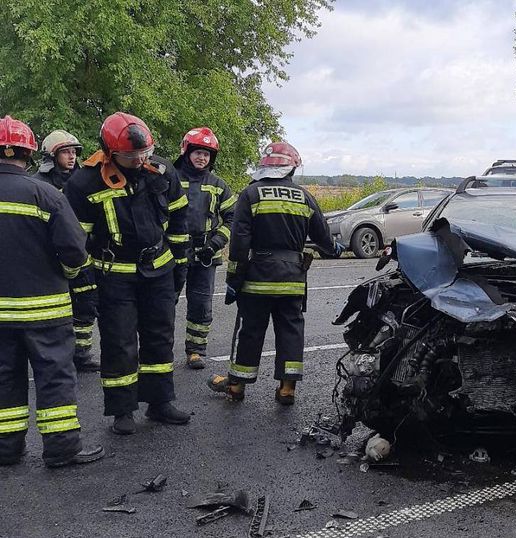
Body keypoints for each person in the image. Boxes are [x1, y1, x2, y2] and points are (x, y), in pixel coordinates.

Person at [65, 112, 192, 435]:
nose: (139, 160)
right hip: (113, 274)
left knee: (160, 337)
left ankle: (160, 402)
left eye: (145, 153)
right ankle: (122, 410)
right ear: (110, 152)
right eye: (132, 155)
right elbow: (75, 238)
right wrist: (83, 282)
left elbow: (179, 220)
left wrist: (180, 265)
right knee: (119, 342)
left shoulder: (163, 171)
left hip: (159, 268)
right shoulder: (85, 182)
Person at [0, 115, 103, 468]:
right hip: (46, 311)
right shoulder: (44, 193)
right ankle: (60, 450)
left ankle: (6, 449)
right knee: (55, 378)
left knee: (4, 379)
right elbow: (75, 250)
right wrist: (69, 273)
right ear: (29, 154)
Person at [207, 141, 341, 404]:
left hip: (257, 278)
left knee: (249, 330)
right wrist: (336, 249)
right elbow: (324, 237)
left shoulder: (250, 194)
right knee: (291, 330)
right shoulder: (304, 196)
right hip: (292, 278)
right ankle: (287, 389)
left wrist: (234, 279)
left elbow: (239, 243)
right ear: (292, 168)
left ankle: (236, 386)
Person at [34, 130, 100, 373]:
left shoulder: (83, 182)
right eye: (66, 152)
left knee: (86, 303)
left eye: (74, 152)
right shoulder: (38, 185)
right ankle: (51, 355)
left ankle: (81, 354)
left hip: (81, 254)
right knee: (52, 310)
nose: (72, 157)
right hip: (49, 257)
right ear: (52, 155)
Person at [173, 127, 236, 370]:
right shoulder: (171, 179)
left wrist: (215, 244)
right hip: (173, 254)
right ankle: (159, 352)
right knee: (165, 302)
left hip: (206, 255)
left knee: (201, 304)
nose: (202, 158)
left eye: (207, 154)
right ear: (187, 152)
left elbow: (233, 218)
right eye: (198, 152)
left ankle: (196, 351)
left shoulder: (218, 185)